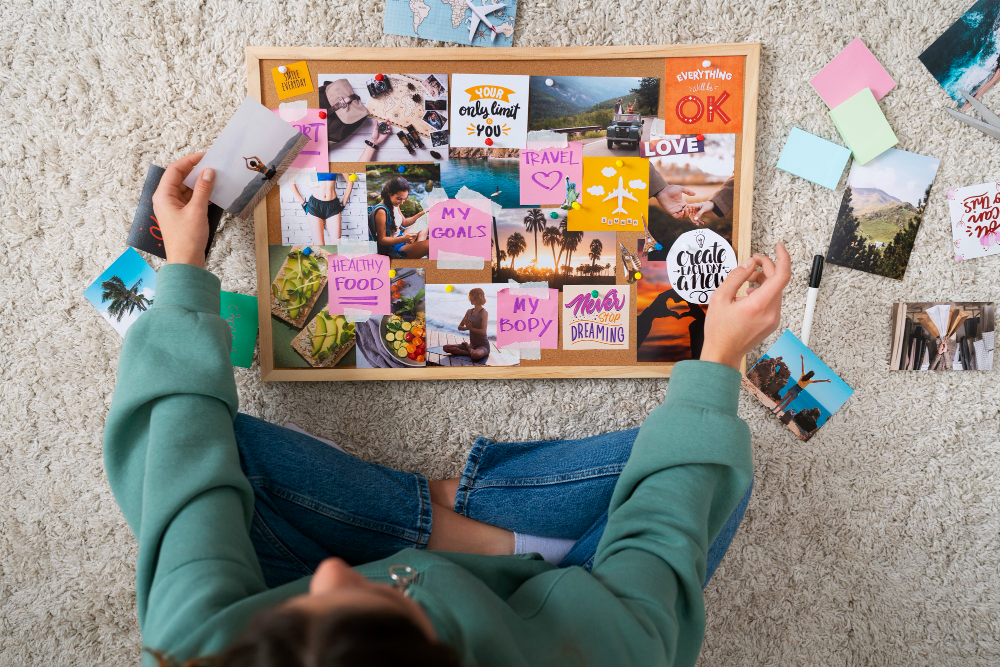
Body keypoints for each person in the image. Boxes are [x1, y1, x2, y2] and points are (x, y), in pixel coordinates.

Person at [108, 152, 791, 667]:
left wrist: (185, 266)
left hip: (292, 581)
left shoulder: (198, 648)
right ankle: (508, 538)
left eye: (312, 601)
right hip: (552, 609)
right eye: (381, 599)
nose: (332, 571)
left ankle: (446, 519)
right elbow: (657, 563)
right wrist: (719, 356)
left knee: (210, 447)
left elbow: (180, 475)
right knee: (710, 461)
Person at [368, 176, 429, 258]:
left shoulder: (394, 204)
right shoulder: (381, 211)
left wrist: (424, 212)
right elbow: (381, 240)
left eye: (404, 199)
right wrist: (404, 239)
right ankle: (417, 251)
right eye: (399, 198)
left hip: (400, 236)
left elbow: (405, 223)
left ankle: (417, 249)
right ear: (389, 193)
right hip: (394, 247)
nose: (402, 202)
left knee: (425, 222)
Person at [292, 173, 354, 245]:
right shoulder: (312, 163)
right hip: (315, 206)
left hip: (333, 206)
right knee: (320, 245)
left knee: (337, 244)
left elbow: (350, 182)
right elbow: (290, 179)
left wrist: (343, 204)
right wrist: (302, 202)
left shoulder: (335, 162)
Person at [442, 287, 490, 362]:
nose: (470, 298)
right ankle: (470, 351)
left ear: (477, 297)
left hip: (482, 346)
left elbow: (483, 332)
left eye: (471, 296)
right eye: (469, 296)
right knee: (446, 347)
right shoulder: (469, 311)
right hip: (472, 345)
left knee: (475, 355)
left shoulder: (484, 313)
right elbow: (460, 327)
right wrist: (467, 328)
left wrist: (470, 328)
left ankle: (468, 348)